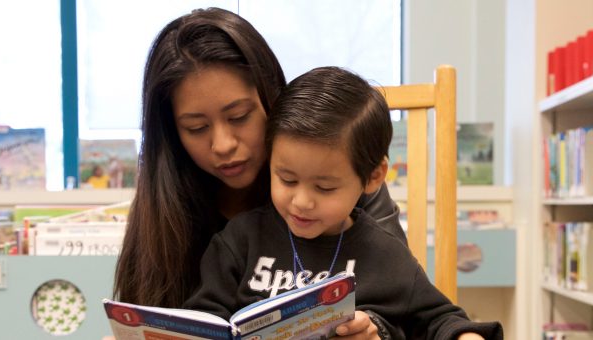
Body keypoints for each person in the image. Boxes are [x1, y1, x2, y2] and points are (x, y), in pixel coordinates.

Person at [114, 7, 404, 338]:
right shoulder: (167, 204)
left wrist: (374, 327)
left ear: (271, 99)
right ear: (172, 134)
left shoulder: (338, 179)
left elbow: (402, 305)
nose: (222, 144)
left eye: (239, 117)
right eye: (196, 127)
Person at [185, 67, 503, 339]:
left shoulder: (385, 254)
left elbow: (440, 319)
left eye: (324, 187)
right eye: (287, 179)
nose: (301, 201)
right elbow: (202, 318)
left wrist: (465, 334)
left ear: (373, 177)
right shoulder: (240, 241)